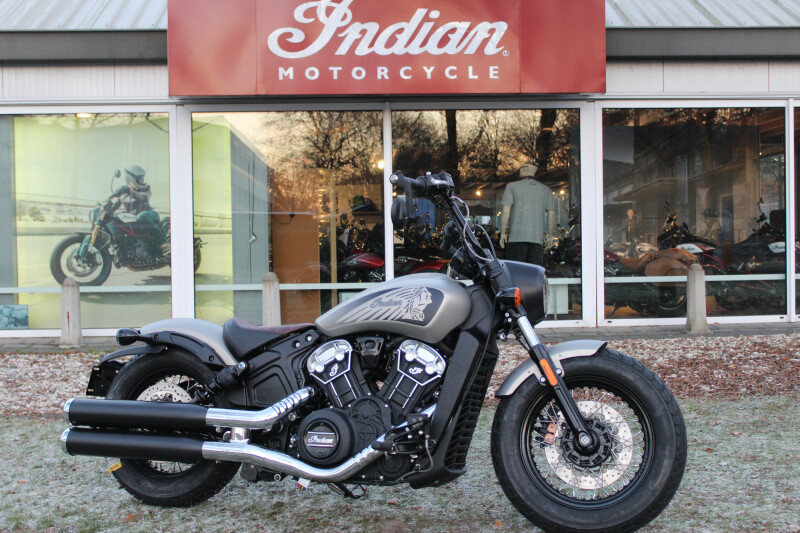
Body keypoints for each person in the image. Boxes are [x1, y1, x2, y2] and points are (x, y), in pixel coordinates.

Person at [499, 163, 556, 266]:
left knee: (516, 274)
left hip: (516, 238)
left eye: (521, 167)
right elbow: (551, 213)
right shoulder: (545, 189)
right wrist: (550, 236)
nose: (519, 170)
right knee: (533, 275)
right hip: (537, 239)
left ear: (525, 169)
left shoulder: (511, 186)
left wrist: (503, 233)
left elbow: (506, 211)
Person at [117, 165, 169, 258]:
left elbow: (144, 197)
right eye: (139, 178)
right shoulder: (124, 192)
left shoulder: (146, 188)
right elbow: (115, 204)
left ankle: (164, 244)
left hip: (150, 215)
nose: (141, 180)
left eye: (142, 178)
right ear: (130, 178)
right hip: (135, 219)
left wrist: (130, 191)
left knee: (141, 216)